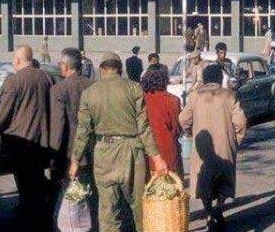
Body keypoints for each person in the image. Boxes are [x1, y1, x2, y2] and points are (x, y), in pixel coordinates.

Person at [69, 51, 168, 232]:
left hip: (103, 154)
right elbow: (144, 127)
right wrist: (157, 157)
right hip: (132, 153)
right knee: (139, 208)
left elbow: (82, 131)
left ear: (101, 70)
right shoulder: (134, 88)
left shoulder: (89, 94)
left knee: (108, 213)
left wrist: (75, 160)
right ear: (120, 69)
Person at [0, 45, 54, 230]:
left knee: (24, 181)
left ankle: (28, 215)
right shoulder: (48, 78)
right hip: (42, 140)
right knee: (37, 176)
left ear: (18, 60)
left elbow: (5, 111)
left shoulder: (14, 81)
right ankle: (40, 210)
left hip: (20, 141)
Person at [179, 64, 247, 232]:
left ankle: (209, 212)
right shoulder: (230, 95)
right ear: (219, 78)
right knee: (224, 181)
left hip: (203, 147)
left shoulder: (195, 96)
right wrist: (236, 141)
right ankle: (219, 209)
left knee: (204, 182)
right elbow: (241, 122)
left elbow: (183, 119)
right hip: (225, 146)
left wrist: (190, 133)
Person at [49, 48, 95, 182]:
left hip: (69, 153)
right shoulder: (92, 85)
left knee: (70, 196)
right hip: (92, 150)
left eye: (60, 64)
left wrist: (54, 157)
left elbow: (58, 126)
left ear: (66, 66)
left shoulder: (58, 89)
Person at [141, 68, 183, 177]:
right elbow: (177, 127)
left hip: (146, 152)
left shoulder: (142, 99)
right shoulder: (173, 100)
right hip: (168, 150)